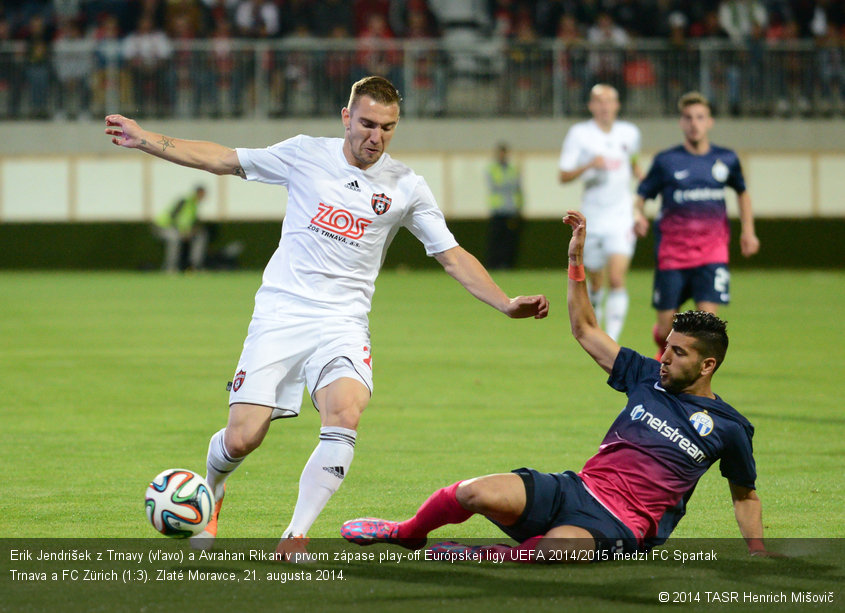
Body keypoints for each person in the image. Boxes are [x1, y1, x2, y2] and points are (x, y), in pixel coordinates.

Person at [103, 76, 549, 561]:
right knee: (243, 437)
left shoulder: (407, 187)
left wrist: (504, 302)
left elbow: (451, 255)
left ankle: (295, 534)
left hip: (343, 323)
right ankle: (211, 491)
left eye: (387, 127)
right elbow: (224, 159)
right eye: (366, 123)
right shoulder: (304, 154)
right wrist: (147, 138)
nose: (375, 136)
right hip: (281, 312)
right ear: (346, 118)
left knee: (346, 412)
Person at [340, 210, 777, 563]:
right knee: (472, 491)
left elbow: (745, 495)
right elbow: (586, 329)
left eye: (678, 353)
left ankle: (481, 555)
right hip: (576, 489)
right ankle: (407, 532)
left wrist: (756, 551)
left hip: (622, 526)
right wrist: (575, 262)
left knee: (557, 550)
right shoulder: (647, 375)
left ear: (707, 365)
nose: (664, 355)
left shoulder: (729, 427)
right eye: (667, 347)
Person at [634, 91, 760, 360]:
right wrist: (638, 215)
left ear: (710, 122)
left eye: (700, 117)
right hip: (672, 255)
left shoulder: (726, 159)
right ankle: (661, 337)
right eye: (689, 118)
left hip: (711, 254)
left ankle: (691, 383)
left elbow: (742, 192)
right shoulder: (666, 161)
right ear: (681, 122)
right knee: (668, 329)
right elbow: (641, 194)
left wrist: (748, 231)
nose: (694, 123)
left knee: (706, 328)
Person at [558, 84, 641, 342]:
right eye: (599, 101)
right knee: (595, 280)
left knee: (616, 278)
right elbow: (563, 175)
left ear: (617, 105)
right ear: (591, 106)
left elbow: (635, 165)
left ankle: (611, 338)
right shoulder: (580, 134)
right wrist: (589, 165)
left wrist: (641, 202)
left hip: (621, 216)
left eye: (610, 101)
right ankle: (596, 316)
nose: (605, 106)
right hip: (592, 216)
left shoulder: (630, 133)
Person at [485, 142, 524, 270]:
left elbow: (518, 189)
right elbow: (495, 186)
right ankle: (494, 265)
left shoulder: (513, 169)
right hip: (497, 210)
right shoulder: (492, 169)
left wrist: (519, 208)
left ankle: (508, 265)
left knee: (510, 240)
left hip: (511, 210)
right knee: (496, 239)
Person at [153, 185, 209, 272]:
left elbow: (190, 222)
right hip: (163, 226)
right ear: (198, 193)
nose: (203, 197)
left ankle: (194, 266)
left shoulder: (194, 206)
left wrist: (190, 231)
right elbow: (173, 217)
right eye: (202, 194)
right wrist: (183, 231)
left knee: (201, 235)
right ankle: (170, 268)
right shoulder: (184, 201)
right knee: (174, 238)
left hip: (180, 229)